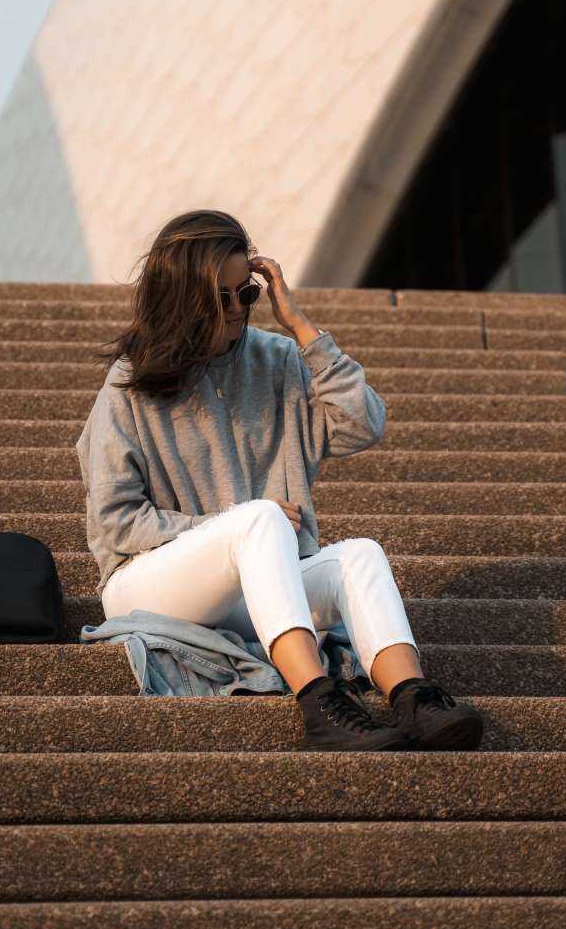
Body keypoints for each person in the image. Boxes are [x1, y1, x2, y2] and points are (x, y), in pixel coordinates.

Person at [75, 209, 485, 753]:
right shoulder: (130, 383)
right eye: (217, 299)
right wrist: (223, 525)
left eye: (242, 295)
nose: (235, 312)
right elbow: (115, 522)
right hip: (144, 586)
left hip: (257, 585)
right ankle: (320, 703)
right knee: (260, 516)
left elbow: (363, 425)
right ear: (179, 298)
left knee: (359, 554)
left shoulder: (278, 359)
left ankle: (414, 698)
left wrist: (301, 327)